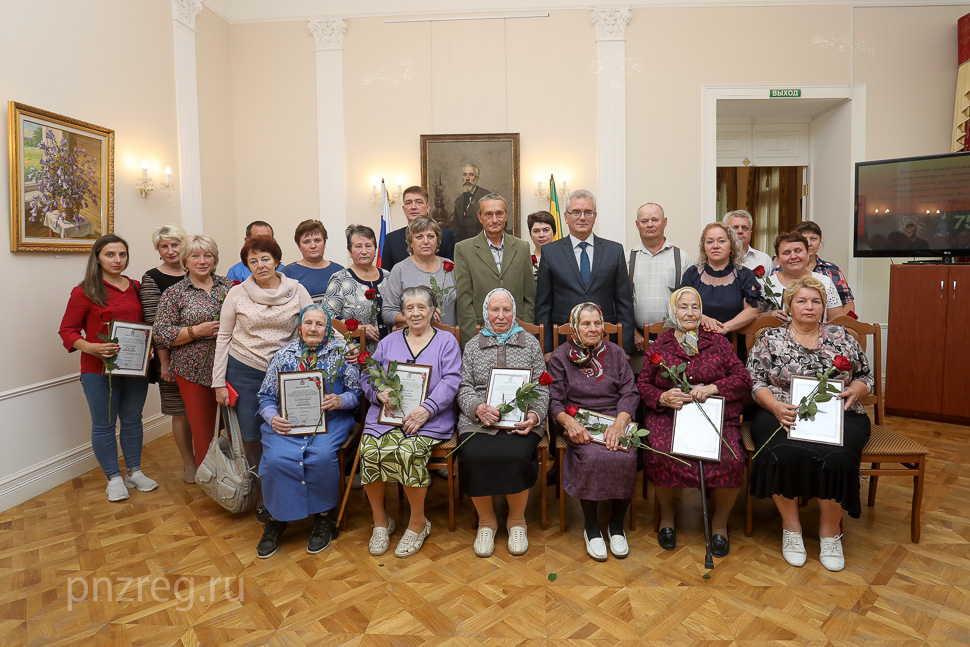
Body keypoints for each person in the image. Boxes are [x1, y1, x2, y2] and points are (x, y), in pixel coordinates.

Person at [747, 275, 873, 572]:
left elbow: (865, 376)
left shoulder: (842, 337)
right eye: (801, 301)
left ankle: (830, 532)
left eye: (816, 301)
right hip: (780, 411)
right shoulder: (769, 339)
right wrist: (775, 406)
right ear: (788, 306)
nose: (809, 306)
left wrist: (855, 390)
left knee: (840, 458)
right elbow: (753, 380)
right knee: (781, 452)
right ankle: (791, 529)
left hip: (838, 415)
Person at [636, 288, 752, 555]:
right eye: (683, 307)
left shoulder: (718, 342)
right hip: (671, 415)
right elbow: (643, 385)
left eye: (694, 307)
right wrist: (662, 397)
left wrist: (714, 388)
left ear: (701, 312)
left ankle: (719, 523)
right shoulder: (660, 346)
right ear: (672, 312)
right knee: (661, 454)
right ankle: (667, 516)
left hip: (714, 415)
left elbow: (743, 379)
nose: (689, 312)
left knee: (732, 458)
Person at [359, 286, 462, 558]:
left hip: (430, 419)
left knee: (409, 451)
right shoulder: (387, 343)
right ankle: (381, 521)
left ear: (432, 311)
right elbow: (368, 375)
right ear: (402, 313)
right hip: (386, 418)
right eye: (409, 308)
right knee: (369, 452)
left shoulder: (446, 341)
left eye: (421, 307)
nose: (415, 313)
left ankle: (418, 523)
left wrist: (427, 409)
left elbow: (452, 381)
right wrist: (378, 393)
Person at [253, 305, 362, 558]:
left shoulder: (342, 353)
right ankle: (276, 518)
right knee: (277, 457)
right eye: (308, 323)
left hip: (330, 421)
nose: (313, 328)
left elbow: (356, 393)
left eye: (320, 324)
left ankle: (324, 515)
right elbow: (266, 397)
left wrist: (340, 400)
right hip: (288, 423)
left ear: (328, 329)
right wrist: (272, 418)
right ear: (300, 327)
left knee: (321, 456)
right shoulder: (283, 355)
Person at [58, 235, 157, 502]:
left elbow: (146, 325)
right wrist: (92, 348)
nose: (117, 260)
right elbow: (67, 330)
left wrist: (149, 345)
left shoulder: (136, 287)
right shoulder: (85, 291)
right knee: (104, 425)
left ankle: (134, 472)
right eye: (110, 254)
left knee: (133, 420)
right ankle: (113, 478)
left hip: (135, 369)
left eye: (122, 254)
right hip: (97, 372)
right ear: (98, 258)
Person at [212, 236, 313, 489]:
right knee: (251, 434)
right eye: (253, 261)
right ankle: (261, 489)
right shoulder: (236, 293)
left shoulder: (297, 289)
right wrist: (218, 383)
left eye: (265, 258)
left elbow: (316, 325)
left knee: (288, 428)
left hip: (287, 372)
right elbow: (223, 337)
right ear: (247, 265)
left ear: (277, 260)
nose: (260, 265)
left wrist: (345, 349)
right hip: (245, 370)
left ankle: (289, 482)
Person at [457, 289, 549, 557]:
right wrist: (477, 408)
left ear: (514, 313)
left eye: (506, 310)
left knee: (518, 454)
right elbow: (463, 387)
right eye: (494, 310)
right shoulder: (473, 345)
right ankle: (486, 522)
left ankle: (517, 521)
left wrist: (534, 416)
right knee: (474, 454)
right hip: (480, 420)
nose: (500, 316)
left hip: (522, 420)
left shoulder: (530, 343)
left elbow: (542, 387)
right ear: (486, 313)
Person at [547, 303, 639, 562]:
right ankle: (591, 527)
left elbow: (630, 392)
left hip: (614, 416)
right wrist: (568, 423)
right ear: (575, 327)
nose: (593, 329)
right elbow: (554, 399)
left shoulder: (617, 353)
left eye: (597, 323)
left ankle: (616, 526)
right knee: (591, 458)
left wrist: (619, 424)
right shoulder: (560, 356)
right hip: (578, 419)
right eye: (586, 324)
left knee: (626, 456)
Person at [153, 235, 234, 473]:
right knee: (203, 431)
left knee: (235, 429)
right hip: (193, 373)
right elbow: (161, 333)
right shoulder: (174, 293)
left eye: (207, 255)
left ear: (215, 259)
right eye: (195, 256)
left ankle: (238, 479)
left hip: (232, 370)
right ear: (185, 260)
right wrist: (196, 331)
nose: (202, 261)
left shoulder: (230, 287)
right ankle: (211, 481)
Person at [536, 189, 635, 355]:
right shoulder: (550, 252)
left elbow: (624, 304)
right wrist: (546, 349)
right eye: (576, 212)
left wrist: (625, 348)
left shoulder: (614, 251)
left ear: (595, 216)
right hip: (562, 341)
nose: (582, 217)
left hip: (607, 340)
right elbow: (543, 306)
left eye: (588, 212)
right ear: (566, 217)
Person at [139, 223, 194, 482]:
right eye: (164, 246)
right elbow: (154, 325)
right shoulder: (152, 278)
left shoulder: (197, 269)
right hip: (171, 358)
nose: (171, 250)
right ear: (158, 250)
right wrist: (164, 363)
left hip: (206, 356)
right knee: (180, 411)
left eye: (175, 244)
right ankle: (189, 463)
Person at [454, 193, 536, 347]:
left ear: (506, 215)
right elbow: (464, 301)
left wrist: (525, 332)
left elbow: (529, 297)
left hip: (517, 332)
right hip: (480, 332)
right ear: (480, 217)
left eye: (499, 214)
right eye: (488, 214)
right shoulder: (464, 249)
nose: (494, 220)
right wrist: (473, 341)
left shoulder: (522, 247)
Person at [628, 202, 692, 359]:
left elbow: (690, 303)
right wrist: (633, 334)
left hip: (673, 339)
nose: (650, 225)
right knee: (639, 382)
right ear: (637, 225)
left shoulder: (681, 257)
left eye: (655, 220)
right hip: (637, 341)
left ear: (665, 222)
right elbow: (620, 302)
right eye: (644, 221)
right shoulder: (627, 258)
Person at [681, 222, 760, 336]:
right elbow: (681, 307)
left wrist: (725, 328)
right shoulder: (692, 274)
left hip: (735, 344)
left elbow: (752, 311)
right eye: (710, 242)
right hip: (697, 343)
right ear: (704, 247)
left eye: (721, 241)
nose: (715, 246)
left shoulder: (745, 275)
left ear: (731, 245)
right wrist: (703, 319)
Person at [322, 225, 389, 351]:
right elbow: (327, 318)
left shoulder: (388, 276)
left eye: (368, 246)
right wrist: (358, 329)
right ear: (350, 252)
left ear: (375, 249)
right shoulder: (340, 279)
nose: (364, 251)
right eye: (358, 247)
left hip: (389, 351)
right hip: (354, 352)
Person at [382, 217, 457, 328]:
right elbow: (388, 313)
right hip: (413, 340)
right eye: (419, 237)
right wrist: (418, 317)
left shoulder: (450, 266)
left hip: (448, 340)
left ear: (438, 240)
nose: (426, 241)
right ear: (411, 242)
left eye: (431, 236)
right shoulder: (400, 270)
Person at [763, 233, 848, 322]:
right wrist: (767, 315)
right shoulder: (764, 285)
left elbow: (837, 322)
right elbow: (753, 319)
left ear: (808, 254)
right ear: (778, 259)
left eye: (798, 251)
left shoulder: (825, 282)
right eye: (786, 253)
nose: (793, 256)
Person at [380, 186, 456, 272]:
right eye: (408, 203)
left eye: (419, 202)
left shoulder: (446, 235)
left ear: (428, 207)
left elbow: (451, 272)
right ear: (404, 209)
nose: (413, 207)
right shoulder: (391, 239)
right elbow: (387, 275)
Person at [790, 221, 855, 311]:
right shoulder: (782, 270)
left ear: (820, 242)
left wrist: (840, 324)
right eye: (803, 239)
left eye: (813, 239)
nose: (809, 243)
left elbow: (848, 304)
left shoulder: (832, 270)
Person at [282, 219, 344, 297]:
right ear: (299, 246)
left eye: (317, 241)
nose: (313, 246)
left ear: (324, 243)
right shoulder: (289, 273)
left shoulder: (339, 271)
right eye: (307, 242)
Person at [724, 209, 773, 276]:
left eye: (745, 228)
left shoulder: (764, 259)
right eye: (735, 228)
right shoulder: (719, 259)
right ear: (726, 232)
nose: (740, 231)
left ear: (750, 232)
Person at [452, 164, 492, 241]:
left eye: (471, 175)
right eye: (464, 175)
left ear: (477, 178)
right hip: (464, 243)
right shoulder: (459, 200)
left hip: (483, 242)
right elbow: (455, 225)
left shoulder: (487, 196)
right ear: (462, 178)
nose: (467, 178)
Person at [527, 210, 556, 281]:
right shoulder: (526, 260)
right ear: (530, 234)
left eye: (546, 230)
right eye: (536, 231)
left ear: (554, 232)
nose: (541, 235)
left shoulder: (564, 257)